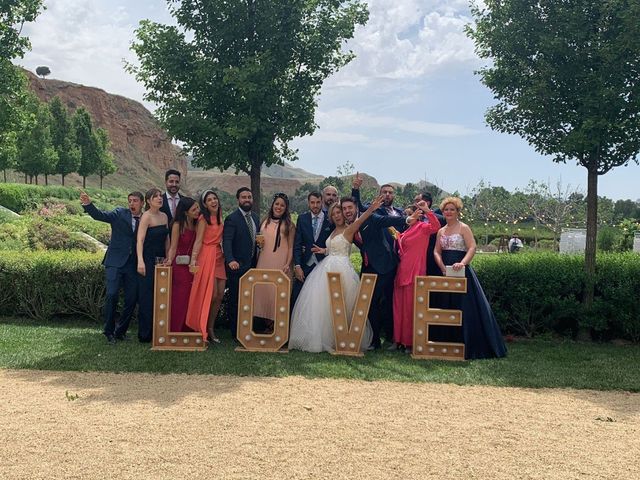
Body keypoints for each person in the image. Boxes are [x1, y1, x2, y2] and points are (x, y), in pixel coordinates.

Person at [289, 196, 384, 353]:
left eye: (339, 212)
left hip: (342, 270)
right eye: (334, 214)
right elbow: (334, 247)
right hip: (325, 269)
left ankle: (344, 338)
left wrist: (371, 209)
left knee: (343, 305)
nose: (338, 215)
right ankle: (325, 338)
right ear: (331, 217)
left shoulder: (350, 228)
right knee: (323, 304)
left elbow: (361, 221)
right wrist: (324, 250)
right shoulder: (333, 231)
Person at [433, 196, 507, 360]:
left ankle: (470, 345)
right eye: (446, 209)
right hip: (446, 271)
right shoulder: (441, 231)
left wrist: (463, 263)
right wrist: (441, 267)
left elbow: (472, 247)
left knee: (466, 307)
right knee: (445, 305)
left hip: (462, 271)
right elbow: (436, 251)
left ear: (458, 212)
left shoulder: (464, 228)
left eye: (452, 209)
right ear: (443, 212)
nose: (449, 212)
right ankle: (446, 344)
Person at [343, 191, 407, 350]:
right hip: (368, 267)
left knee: (382, 303)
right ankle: (375, 340)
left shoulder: (370, 218)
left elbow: (386, 220)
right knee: (369, 303)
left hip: (385, 266)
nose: (347, 211)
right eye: (344, 209)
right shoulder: (349, 226)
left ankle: (391, 339)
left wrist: (406, 219)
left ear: (356, 207)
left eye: (349, 207)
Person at [81, 190, 143, 344]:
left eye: (135, 201)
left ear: (142, 203)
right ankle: (108, 331)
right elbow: (100, 216)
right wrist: (88, 204)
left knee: (131, 299)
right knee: (112, 295)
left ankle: (121, 331)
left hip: (133, 264)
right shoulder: (120, 213)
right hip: (114, 262)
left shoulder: (146, 218)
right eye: (130, 201)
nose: (132, 204)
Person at [392, 200, 441, 352]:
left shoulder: (423, 228)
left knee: (410, 309)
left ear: (418, 215)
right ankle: (398, 340)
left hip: (415, 272)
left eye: (411, 214)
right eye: (406, 215)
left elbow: (436, 227)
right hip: (401, 272)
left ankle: (409, 342)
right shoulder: (404, 231)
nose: (408, 217)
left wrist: (427, 210)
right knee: (399, 308)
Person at [185, 190, 226, 343]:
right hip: (206, 256)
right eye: (209, 200)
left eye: (215, 198)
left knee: (220, 295)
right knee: (212, 294)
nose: (213, 201)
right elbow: (198, 240)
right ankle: (202, 327)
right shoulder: (203, 219)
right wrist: (193, 260)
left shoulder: (221, 216)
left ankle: (211, 327)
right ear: (205, 204)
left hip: (219, 257)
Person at [253, 193, 296, 330]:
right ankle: (265, 324)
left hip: (280, 263)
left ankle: (276, 327)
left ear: (286, 208)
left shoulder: (289, 225)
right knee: (263, 292)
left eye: (282, 205)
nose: (279, 207)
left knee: (276, 295)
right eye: (277, 204)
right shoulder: (264, 221)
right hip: (264, 261)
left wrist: (287, 263)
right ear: (272, 205)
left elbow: (290, 247)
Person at [223, 187, 261, 340]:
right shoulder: (232, 218)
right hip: (236, 266)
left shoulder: (256, 218)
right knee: (235, 300)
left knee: (248, 299)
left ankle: (247, 328)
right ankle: (235, 332)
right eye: (244, 197)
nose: (247, 200)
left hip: (251, 266)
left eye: (249, 197)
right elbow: (227, 241)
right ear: (238, 200)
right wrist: (230, 259)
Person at [136, 188, 170, 343]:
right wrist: (140, 261)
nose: (159, 198)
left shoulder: (164, 216)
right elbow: (140, 240)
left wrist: (168, 258)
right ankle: (145, 334)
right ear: (148, 201)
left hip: (161, 260)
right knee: (146, 296)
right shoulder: (146, 217)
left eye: (160, 196)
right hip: (147, 260)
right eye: (155, 197)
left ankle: (160, 331)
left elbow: (167, 239)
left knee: (161, 295)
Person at [292, 191, 332, 308]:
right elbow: (297, 244)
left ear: (322, 202)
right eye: (312, 202)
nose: (315, 205)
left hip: (323, 264)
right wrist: (297, 266)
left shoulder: (330, 218)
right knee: (297, 297)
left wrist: (325, 250)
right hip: (305, 265)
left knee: (320, 300)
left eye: (318, 202)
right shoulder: (302, 218)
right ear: (308, 203)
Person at [165, 197, 199, 332]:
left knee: (191, 296)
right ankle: (176, 328)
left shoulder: (197, 224)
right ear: (186, 212)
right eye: (194, 209)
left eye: (197, 208)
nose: (198, 211)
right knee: (180, 296)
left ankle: (189, 327)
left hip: (192, 264)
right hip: (179, 265)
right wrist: (168, 260)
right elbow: (173, 247)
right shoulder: (177, 225)